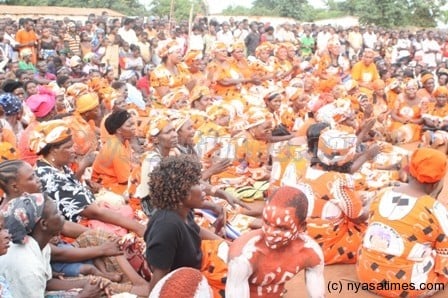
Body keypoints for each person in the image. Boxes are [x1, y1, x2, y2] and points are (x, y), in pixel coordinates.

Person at [356, 148, 448, 297]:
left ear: (409, 171)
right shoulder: (435, 209)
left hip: (366, 276)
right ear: (436, 183)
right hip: (406, 287)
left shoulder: (383, 193)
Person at [30, 120, 145, 236]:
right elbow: (94, 212)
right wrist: (137, 227)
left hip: (90, 215)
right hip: (77, 229)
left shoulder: (59, 167)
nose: (73, 150)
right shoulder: (49, 177)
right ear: (53, 150)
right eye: (68, 147)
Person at [145, 155, 227, 297]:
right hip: (187, 283)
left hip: (200, 262)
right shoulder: (167, 227)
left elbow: (196, 230)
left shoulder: (182, 209)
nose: (202, 187)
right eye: (196, 183)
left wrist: (227, 244)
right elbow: (157, 284)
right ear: (182, 192)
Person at [0, 193, 109, 298]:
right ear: (44, 224)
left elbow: (47, 283)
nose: (62, 216)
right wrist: (84, 295)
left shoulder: (40, 245)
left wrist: (86, 283)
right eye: (56, 213)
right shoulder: (28, 266)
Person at [226, 186, 325, 297]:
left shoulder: (310, 252)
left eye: (282, 228)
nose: (270, 233)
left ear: (302, 227)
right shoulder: (244, 255)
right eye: (267, 223)